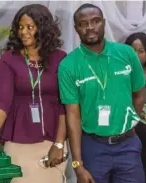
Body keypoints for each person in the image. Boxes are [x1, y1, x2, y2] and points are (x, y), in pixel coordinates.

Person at [58, 3, 145, 183]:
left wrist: (129, 121)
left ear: (104, 23)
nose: (90, 27)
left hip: (127, 146)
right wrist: (78, 164)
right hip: (93, 146)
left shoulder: (126, 54)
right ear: (76, 29)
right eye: (83, 23)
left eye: (95, 21)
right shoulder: (68, 65)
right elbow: (72, 115)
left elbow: (139, 94)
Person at [0, 4, 68, 183]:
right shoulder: (9, 59)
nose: (24, 32)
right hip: (19, 142)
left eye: (30, 27)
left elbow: (65, 105)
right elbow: (3, 101)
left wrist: (59, 144)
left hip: (52, 142)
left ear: (43, 28)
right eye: (20, 27)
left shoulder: (61, 59)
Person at [125, 32, 146, 179]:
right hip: (130, 129)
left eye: (141, 51)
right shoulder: (120, 75)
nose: (136, 55)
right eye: (132, 51)